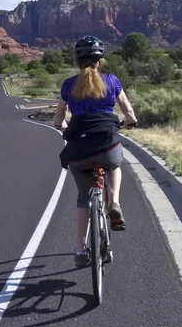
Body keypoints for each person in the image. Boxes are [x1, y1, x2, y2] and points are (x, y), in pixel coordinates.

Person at [54, 36, 138, 268]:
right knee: (115, 163)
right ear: (101, 60)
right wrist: (131, 121)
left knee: (83, 199)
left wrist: (60, 126)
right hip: (106, 143)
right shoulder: (111, 81)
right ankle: (115, 203)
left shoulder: (69, 84)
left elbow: (59, 117)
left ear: (77, 61)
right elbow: (127, 110)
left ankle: (80, 251)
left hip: (79, 150)